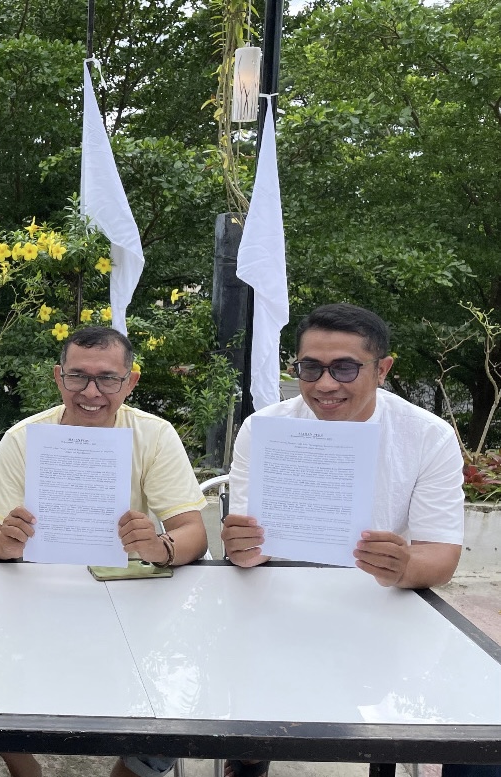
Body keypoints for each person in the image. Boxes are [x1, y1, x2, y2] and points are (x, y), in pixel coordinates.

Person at [221, 303, 489, 777]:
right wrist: (241, 549)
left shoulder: (426, 436)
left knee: (480, 729)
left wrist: (404, 566)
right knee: (240, 699)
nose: (325, 384)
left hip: (379, 601)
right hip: (276, 603)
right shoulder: (265, 429)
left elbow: (440, 556)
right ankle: (250, 754)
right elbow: (247, 552)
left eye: (345, 368)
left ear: (382, 369)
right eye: (310, 368)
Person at [0, 325, 208, 777]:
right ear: (58, 377)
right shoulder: (24, 438)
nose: (91, 392)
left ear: (130, 381)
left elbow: (193, 532)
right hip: (37, 603)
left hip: (133, 605)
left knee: (180, 692)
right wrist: (3, 543)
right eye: (78, 376)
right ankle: (26, 769)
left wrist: (160, 546)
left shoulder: (154, 436)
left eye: (108, 379)